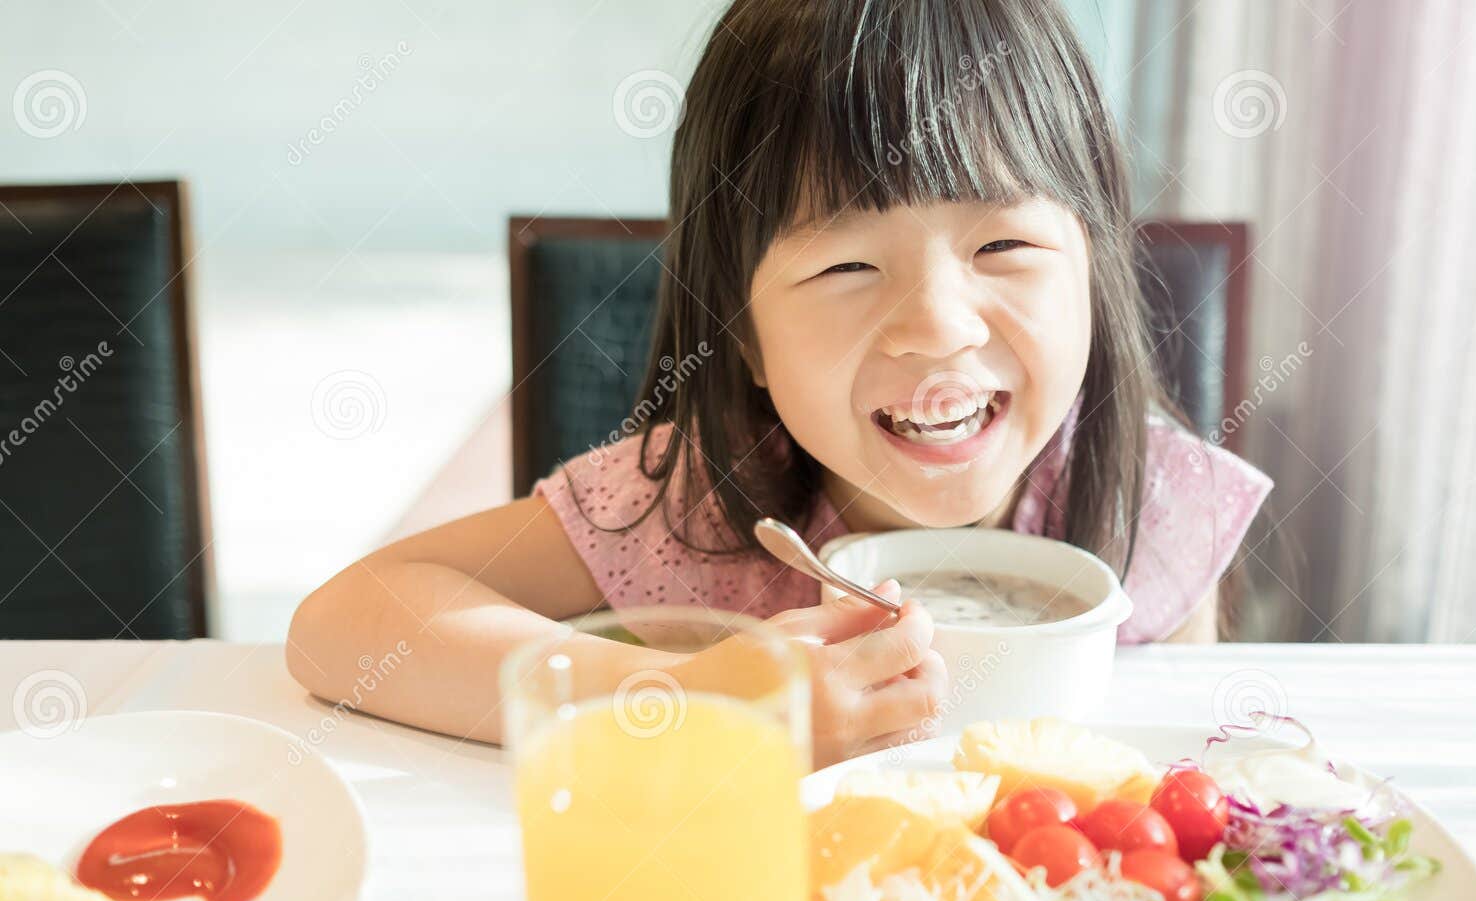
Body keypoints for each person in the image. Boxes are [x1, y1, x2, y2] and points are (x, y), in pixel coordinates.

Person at [288, 0, 1272, 767]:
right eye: (846, 267)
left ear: (1094, 271)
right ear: (744, 336)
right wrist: (686, 698)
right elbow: (342, 624)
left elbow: (1180, 763)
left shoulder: (1154, 500)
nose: (936, 324)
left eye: (1004, 243)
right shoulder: (686, 507)